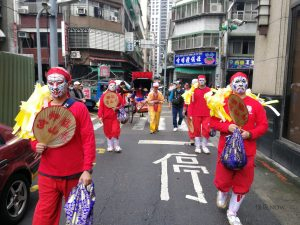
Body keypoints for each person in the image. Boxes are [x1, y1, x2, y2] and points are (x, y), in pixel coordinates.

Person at [31, 67, 96, 225]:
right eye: (50, 83)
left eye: (59, 82)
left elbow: (88, 139)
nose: (54, 86)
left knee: (77, 218)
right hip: (47, 174)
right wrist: (35, 145)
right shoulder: (41, 108)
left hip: (75, 175)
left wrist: (87, 169)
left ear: (68, 83)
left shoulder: (79, 108)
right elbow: (32, 135)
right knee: (43, 217)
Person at [211, 72, 268, 225]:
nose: (241, 83)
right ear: (231, 84)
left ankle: (232, 212)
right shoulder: (222, 102)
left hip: (247, 151)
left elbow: (263, 125)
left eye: (244, 81)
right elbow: (212, 121)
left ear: (248, 84)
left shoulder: (255, 104)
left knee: (243, 183)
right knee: (223, 181)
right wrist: (226, 126)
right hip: (226, 150)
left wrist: (250, 133)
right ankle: (222, 192)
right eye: (237, 81)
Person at [98, 80, 124, 152]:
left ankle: (117, 146)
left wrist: (117, 108)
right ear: (108, 86)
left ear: (116, 86)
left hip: (115, 117)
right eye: (111, 85)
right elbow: (101, 107)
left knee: (115, 130)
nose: (112, 86)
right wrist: (100, 116)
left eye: (114, 85)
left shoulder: (118, 96)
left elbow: (122, 105)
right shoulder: (104, 96)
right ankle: (110, 146)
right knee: (108, 131)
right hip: (106, 117)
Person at [188, 75, 211, 154]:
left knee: (206, 130)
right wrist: (190, 114)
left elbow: (213, 102)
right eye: (200, 80)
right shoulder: (193, 91)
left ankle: (204, 146)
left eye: (203, 80)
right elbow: (191, 103)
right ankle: (197, 146)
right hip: (196, 113)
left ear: (205, 81)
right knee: (197, 130)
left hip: (207, 114)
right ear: (198, 81)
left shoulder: (209, 90)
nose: (201, 81)